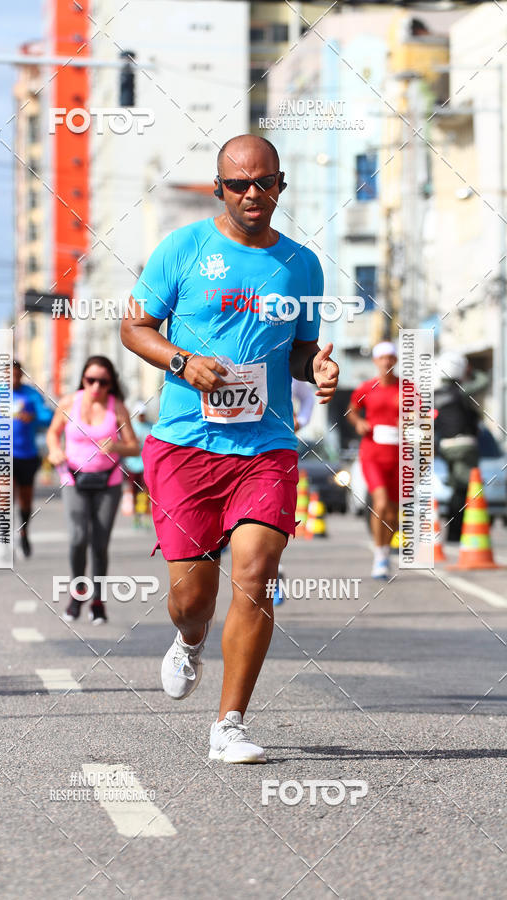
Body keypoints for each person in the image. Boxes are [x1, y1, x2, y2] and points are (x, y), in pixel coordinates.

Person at [121, 133, 338, 763]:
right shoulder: (183, 249)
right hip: (186, 444)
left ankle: (230, 725)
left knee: (256, 573)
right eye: (238, 184)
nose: (252, 193)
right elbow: (135, 327)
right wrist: (183, 362)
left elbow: (301, 350)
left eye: (263, 182)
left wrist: (317, 368)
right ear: (220, 189)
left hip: (265, 442)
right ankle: (188, 641)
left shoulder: (302, 264)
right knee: (193, 599)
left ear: (280, 186)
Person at [46, 355, 139, 624]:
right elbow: (53, 432)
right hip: (74, 479)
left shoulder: (117, 408)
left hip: (107, 482)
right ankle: (78, 593)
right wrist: (54, 450)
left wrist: (117, 446)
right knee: (77, 539)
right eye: (91, 380)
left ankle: (98, 601)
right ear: (83, 379)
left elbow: (134, 446)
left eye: (103, 381)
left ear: (111, 383)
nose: (96, 387)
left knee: (99, 544)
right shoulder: (68, 402)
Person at [346, 341, 400, 579]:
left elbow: (423, 414)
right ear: (376, 361)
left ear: (396, 361)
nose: (387, 362)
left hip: (400, 457)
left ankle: (386, 551)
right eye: (382, 358)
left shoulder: (407, 389)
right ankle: (379, 555)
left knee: (394, 511)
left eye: (391, 357)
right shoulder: (367, 387)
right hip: (372, 454)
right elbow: (352, 411)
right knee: (380, 502)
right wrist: (359, 423)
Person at [435, 351, 489, 542]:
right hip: (465, 446)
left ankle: (454, 532)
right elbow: (485, 380)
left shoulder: (435, 395)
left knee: (458, 489)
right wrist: (471, 371)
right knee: (466, 490)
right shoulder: (462, 391)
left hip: (446, 447)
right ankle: (457, 532)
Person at [11, 360, 54, 557]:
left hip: (27, 455)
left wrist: (33, 417)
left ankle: (24, 531)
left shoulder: (31, 394)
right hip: (3, 454)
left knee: (25, 499)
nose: (13, 379)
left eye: (16, 375)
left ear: (21, 375)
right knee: (4, 496)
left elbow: (48, 416)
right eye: (8, 375)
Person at [124, 403, 153, 528]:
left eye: (143, 414)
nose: (142, 417)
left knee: (146, 492)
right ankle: (137, 517)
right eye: (140, 415)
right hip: (132, 465)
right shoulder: (132, 427)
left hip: (146, 465)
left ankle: (146, 517)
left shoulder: (151, 426)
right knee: (135, 492)